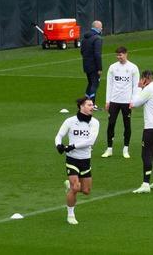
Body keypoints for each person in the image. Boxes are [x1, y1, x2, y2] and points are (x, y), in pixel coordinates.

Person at [55, 96, 99, 225]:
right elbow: (59, 135)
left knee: (86, 191)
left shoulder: (95, 122)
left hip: (86, 159)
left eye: (92, 105)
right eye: (89, 105)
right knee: (75, 188)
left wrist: (71, 146)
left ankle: (69, 185)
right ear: (81, 107)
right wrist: (58, 145)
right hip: (72, 159)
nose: (92, 107)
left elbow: (90, 141)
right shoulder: (70, 121)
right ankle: (70, 214)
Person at [102, 46, 140, 159]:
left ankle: (125, 149)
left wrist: (133, 101)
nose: (119, 57)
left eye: (121, 55)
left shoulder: (133, 68)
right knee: (111, 124)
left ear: (126, 54)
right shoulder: (112, 68)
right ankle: (109, 149)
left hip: (126, 102)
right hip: (114, 101)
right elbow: (109, 84)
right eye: (117, 55)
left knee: (127, 125)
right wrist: (107, 101)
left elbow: (136, 86)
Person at [81, 21, 103, 105]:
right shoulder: (97, 38)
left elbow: (82, 51)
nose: (102, 29)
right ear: (97, 27)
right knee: (95, 84)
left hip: (86, 64)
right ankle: (91, 104)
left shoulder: (85, 38)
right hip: (94, 66)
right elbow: (97, 54)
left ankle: (85, 103)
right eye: (101, 27)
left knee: (90, 83)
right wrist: (99, 68)